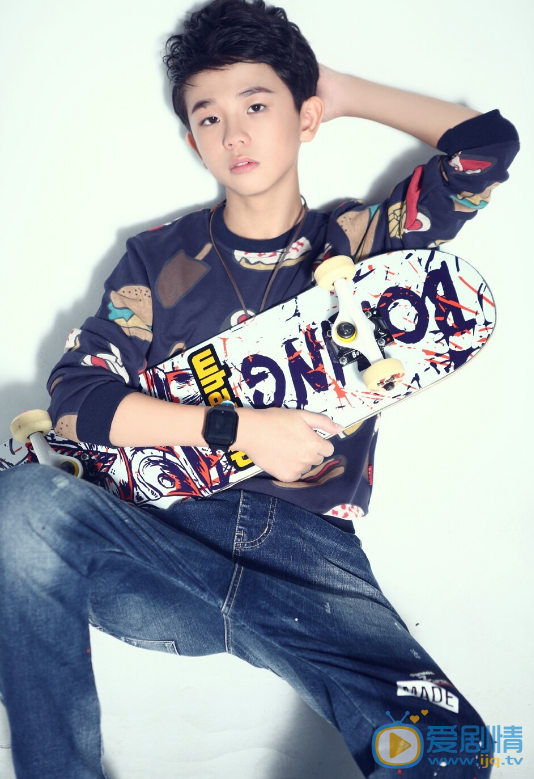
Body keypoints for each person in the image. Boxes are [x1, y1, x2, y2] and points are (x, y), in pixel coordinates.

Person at [0, 0, 519, 776]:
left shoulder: (364, 244)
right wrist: (238, 429)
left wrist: (336, 89)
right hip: (165, 544)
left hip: (309, 559)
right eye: (208, 117)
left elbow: (486, 146)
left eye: (256, 105)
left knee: (453, 750)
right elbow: (76, 397)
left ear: (304, 117)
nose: (234, 134)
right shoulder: (158, 258)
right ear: (192, 139)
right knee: (20, 504)